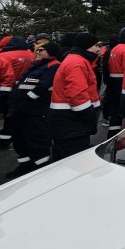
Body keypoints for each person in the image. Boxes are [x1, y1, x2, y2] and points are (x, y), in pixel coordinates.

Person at [6, 41, 60, 177]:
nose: (38, 52)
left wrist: (28, 97)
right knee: (21, 139)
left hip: (35, 111)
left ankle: (43, 170)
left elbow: (43, 86)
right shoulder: (37, 65)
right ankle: (25, 165)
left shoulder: (53, 66)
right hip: (22, 109)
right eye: (38, 50)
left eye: (42, 50)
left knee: (37, 140)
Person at [50, 33, 102, 161]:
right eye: (96, 45)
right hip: (72, 122)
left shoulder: (76, 60)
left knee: (63, 157)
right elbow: (77, 96)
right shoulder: (77, 63)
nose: (98, 49)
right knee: (72, 160)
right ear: (86, 46)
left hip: (68, 121)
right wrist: (90, 118)